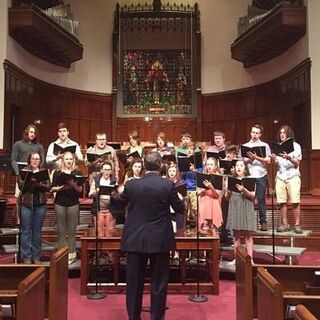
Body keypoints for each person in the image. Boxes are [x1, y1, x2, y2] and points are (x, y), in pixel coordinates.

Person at [110, 152, 185, 320]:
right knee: (158, 283)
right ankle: (156, 317)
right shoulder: (167, 185)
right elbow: (180, 209)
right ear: (161, 166)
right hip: (159, 240)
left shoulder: (132, 185)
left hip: (136, 239)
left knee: (134, 283)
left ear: (144, 164)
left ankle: (134, 317)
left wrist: (113, 195)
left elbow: (117, 205)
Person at [50, 151, 83, 265]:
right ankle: (62, 254)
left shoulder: (77, 172)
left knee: (72, 231)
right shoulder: (57, 173)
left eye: (70, 159)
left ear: (73, 160)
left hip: (73, 203)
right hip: (60, 203)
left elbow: (80, 190)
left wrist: (73, 185)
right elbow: (52, 188)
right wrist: (62, 188)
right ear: (63, 160)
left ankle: (72, 253)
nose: (68, 161)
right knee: (61, 230)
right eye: (66, 159)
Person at [19, 152, 50, 264]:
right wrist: (29, 182)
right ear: (29, 160)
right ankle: (27, 256)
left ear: (40, 161)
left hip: (40, 205)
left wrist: (38, 184)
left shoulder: (43, 172)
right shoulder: (24, 171)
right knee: (26, 231)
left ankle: (36, 256)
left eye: (37, 159)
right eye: (33, 159)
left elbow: (48, 187)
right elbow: (21, 186)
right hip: (26, 205)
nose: (35, 161)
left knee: (37, 231)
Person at [272, 125, 303, 234]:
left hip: (292, 176)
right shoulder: (278, 147)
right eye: (280, 133)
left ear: (289, 134)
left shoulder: (296, 146)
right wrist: (273, 159)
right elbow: (276, 164)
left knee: (295, 201)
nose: (282, 134)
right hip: (280, 176)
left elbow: (297, 163)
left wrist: (289, 157)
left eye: (284, 132)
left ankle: (297, 224)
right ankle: (285, 223)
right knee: (282, 201)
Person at [225, 159, 256, 262]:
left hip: (246, 206)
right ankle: (237, 259)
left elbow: (252, 195)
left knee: (248, 235)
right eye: (237, 165)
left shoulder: (249, 179)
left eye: (241, 165)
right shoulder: (231, 180)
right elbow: (226, 198)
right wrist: (227, 190)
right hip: (234, 206)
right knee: (236, 236)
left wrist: (244, 190)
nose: (238, 167)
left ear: (245, 168)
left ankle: (250, 258)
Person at [242, 124, 271, 231]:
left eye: (256, 133)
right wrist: (250, 159)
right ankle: (248, 221)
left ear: (260, 134)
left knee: (261, 199)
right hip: (249, 175)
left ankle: (263, 222)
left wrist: (256, 157)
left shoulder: (264, 145)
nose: (254, 134)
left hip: (260, 175)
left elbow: (268, 160)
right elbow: (243, 161)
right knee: (248, 199)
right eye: (253, 132)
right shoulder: (245, 145)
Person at [88, 161, 118, 238]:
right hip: (99, 210)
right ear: (101, 170)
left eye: (108, 170)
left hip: (110, 210)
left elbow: (118, 195)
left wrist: (115, 194)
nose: (106, 172)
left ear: (111, 171)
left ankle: (108, 250)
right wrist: (96, 192)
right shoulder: (96, 180)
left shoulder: (114, 180)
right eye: (105, 169)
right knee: (99, 232)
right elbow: (90, 194)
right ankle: (100, 250)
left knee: (110, 232)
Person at [197, 157, 223, 231]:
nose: (209, 166)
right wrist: (202, 190)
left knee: (213, 229)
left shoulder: (219, 177)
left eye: (211, 164)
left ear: (215, 166)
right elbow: (198, 193)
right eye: (207, 164)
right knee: (204, 228)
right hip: (204, 203)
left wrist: (211, 187)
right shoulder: (202, 176)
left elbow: (217, 195)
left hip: (214, 204)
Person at [166, 162, 186, 230]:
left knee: (179, 229)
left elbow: (184, 197)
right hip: (168, 210)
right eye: (170, 171)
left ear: (177, 172)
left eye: (173, 171)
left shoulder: (181, 183)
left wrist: (181, 198)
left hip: (178, 210)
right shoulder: (165, 183)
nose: (171, 173)